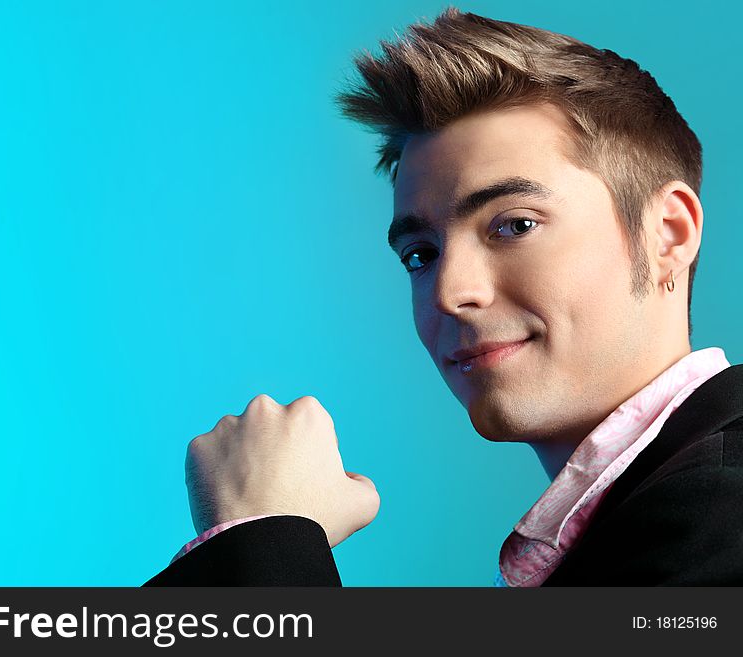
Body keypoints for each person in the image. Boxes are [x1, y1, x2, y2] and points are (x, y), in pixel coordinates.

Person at [144, 7, 743, 586]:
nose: (450, 293)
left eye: (514, 225)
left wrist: (258, 546)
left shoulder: (721, 514)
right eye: (420, 255)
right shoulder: (650, 519)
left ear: (669, 234)